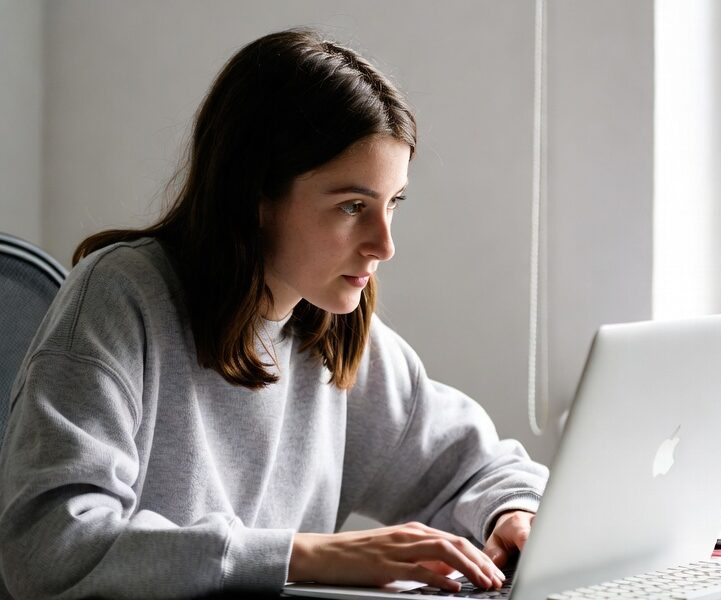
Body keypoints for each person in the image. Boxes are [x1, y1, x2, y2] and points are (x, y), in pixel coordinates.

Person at [0, 29, 548, 600]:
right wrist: (301, 555)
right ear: (256, 197)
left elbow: (480, 468)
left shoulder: (328, 330)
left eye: (393, 204)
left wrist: (510, 513)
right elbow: (49, 547)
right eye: (352, 207)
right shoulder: (121, 297)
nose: (384, 244)